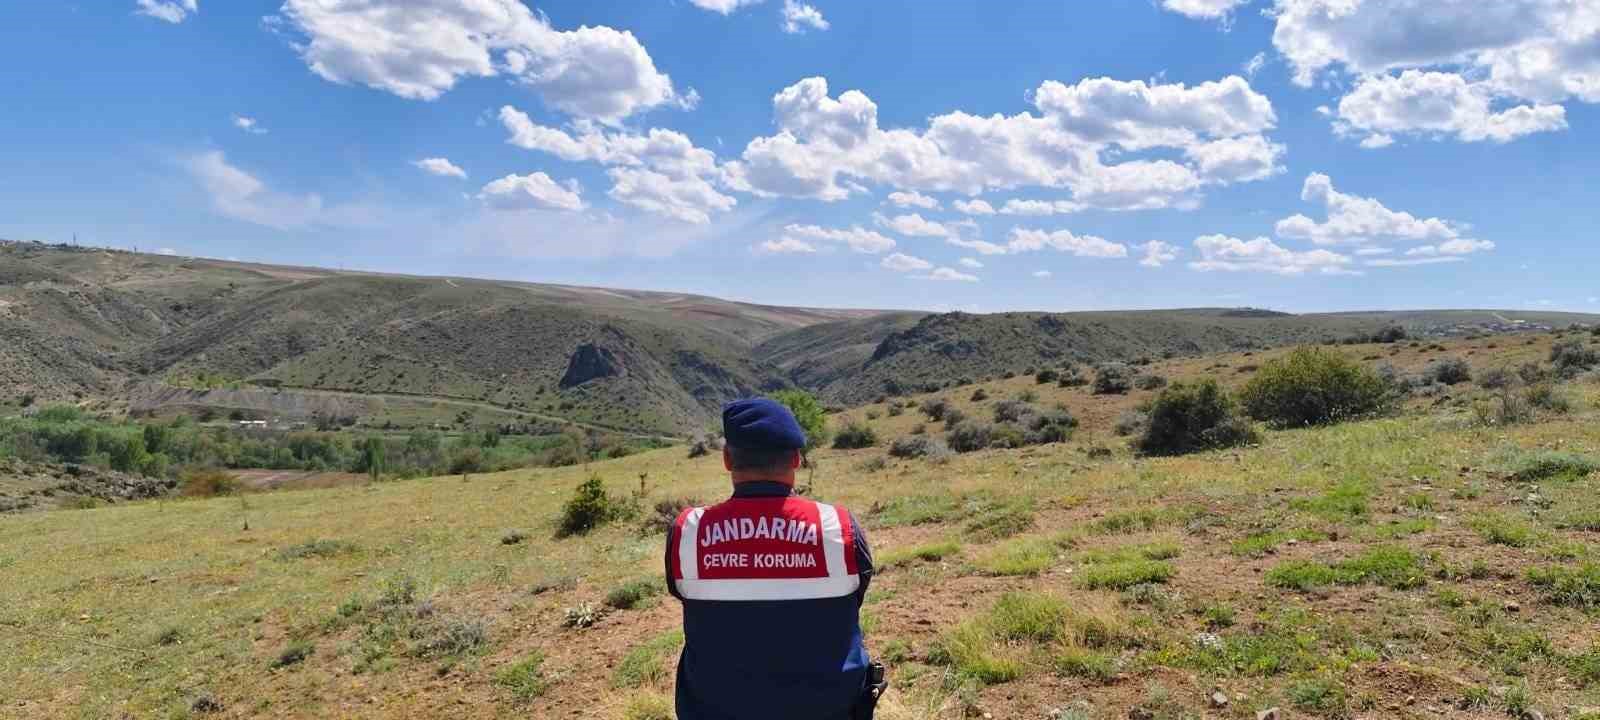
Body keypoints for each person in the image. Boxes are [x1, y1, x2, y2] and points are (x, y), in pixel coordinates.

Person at [665, 397, 882, 720]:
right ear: (796, 458)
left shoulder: (688, 532)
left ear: (727, 459)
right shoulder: (839, 526)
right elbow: (855, 596)